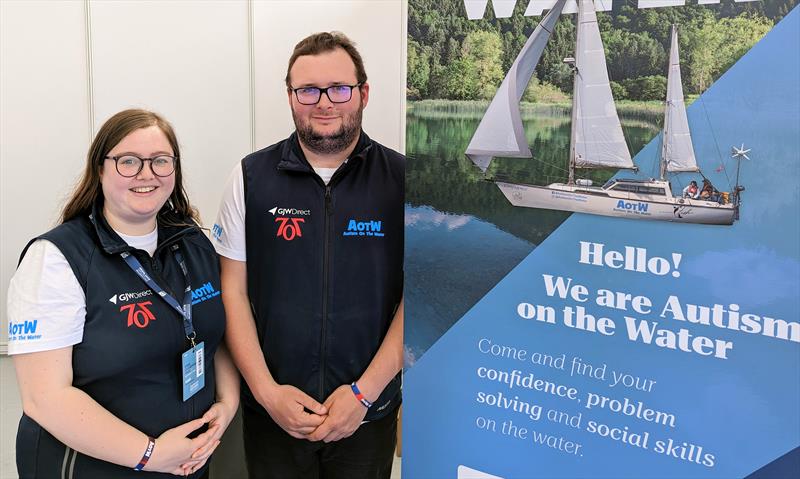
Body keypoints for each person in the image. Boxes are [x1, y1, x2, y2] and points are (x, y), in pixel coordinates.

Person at [8, 109, 239, 478]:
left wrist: (227, 404)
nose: (146, 174)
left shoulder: (194, 243)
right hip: (92, 467)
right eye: (128, 161)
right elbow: (44, 398)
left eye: (160, 161)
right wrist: (150, 454)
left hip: (186, 462)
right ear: (100, 169)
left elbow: (215, 336)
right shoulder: (56, 259)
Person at [213, 32, 403, 478]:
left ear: (364, 93)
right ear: (290, 96)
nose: (324, 103)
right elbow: (232, 291)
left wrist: (363, 394)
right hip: (274, 413)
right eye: (308, 90)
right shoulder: (249, 178)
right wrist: (265, 391)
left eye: (339, 88)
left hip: (367, 412)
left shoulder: (402, 181)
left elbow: (417, 297)